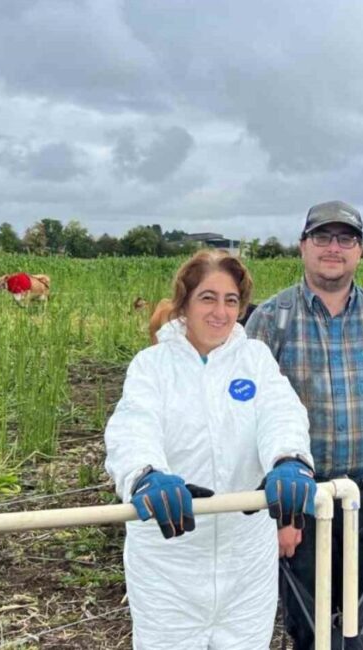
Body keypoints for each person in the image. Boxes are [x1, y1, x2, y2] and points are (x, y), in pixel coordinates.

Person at [104, 250, 317, 650]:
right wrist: (145, 473)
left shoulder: (254, 359)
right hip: (170, 560)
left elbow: (281, 413)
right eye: (208, 297)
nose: (220, 311)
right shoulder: (152, 366)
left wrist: (290, 459)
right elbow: (134, 425)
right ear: (184, 302)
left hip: (245, 561)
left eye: (231, 300)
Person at [245, 200, 363, 650]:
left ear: (360, 250)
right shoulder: (270, 320)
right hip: (301, 503)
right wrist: (278, 516)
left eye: (346, 238)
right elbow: (249, 422)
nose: (333, 248)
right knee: (310, 629)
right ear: (302, 246)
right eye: (322, 237)